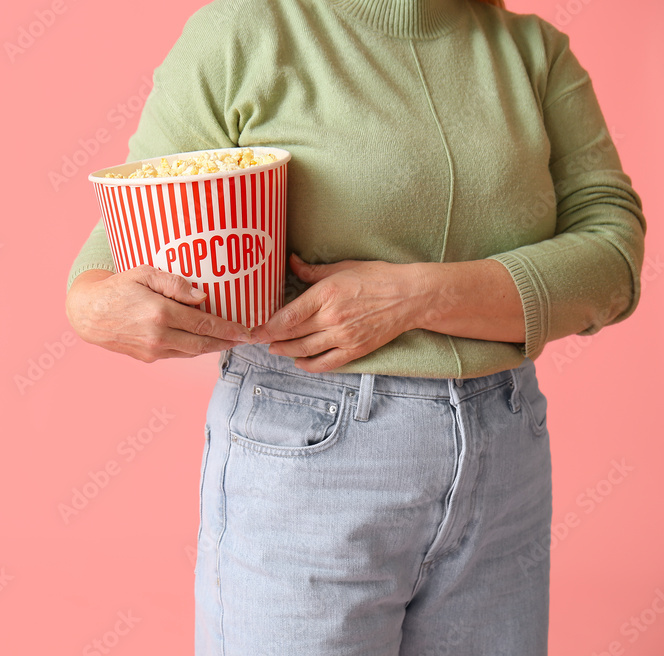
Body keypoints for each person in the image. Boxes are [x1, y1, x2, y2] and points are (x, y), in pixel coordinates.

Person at [64, 0, 647, 653]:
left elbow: (613, 260)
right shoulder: (244, 33)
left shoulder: (533, 53)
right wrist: (93, 307)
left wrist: (413, 297)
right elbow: (121, 243)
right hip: (310, 450)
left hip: (504, 453)